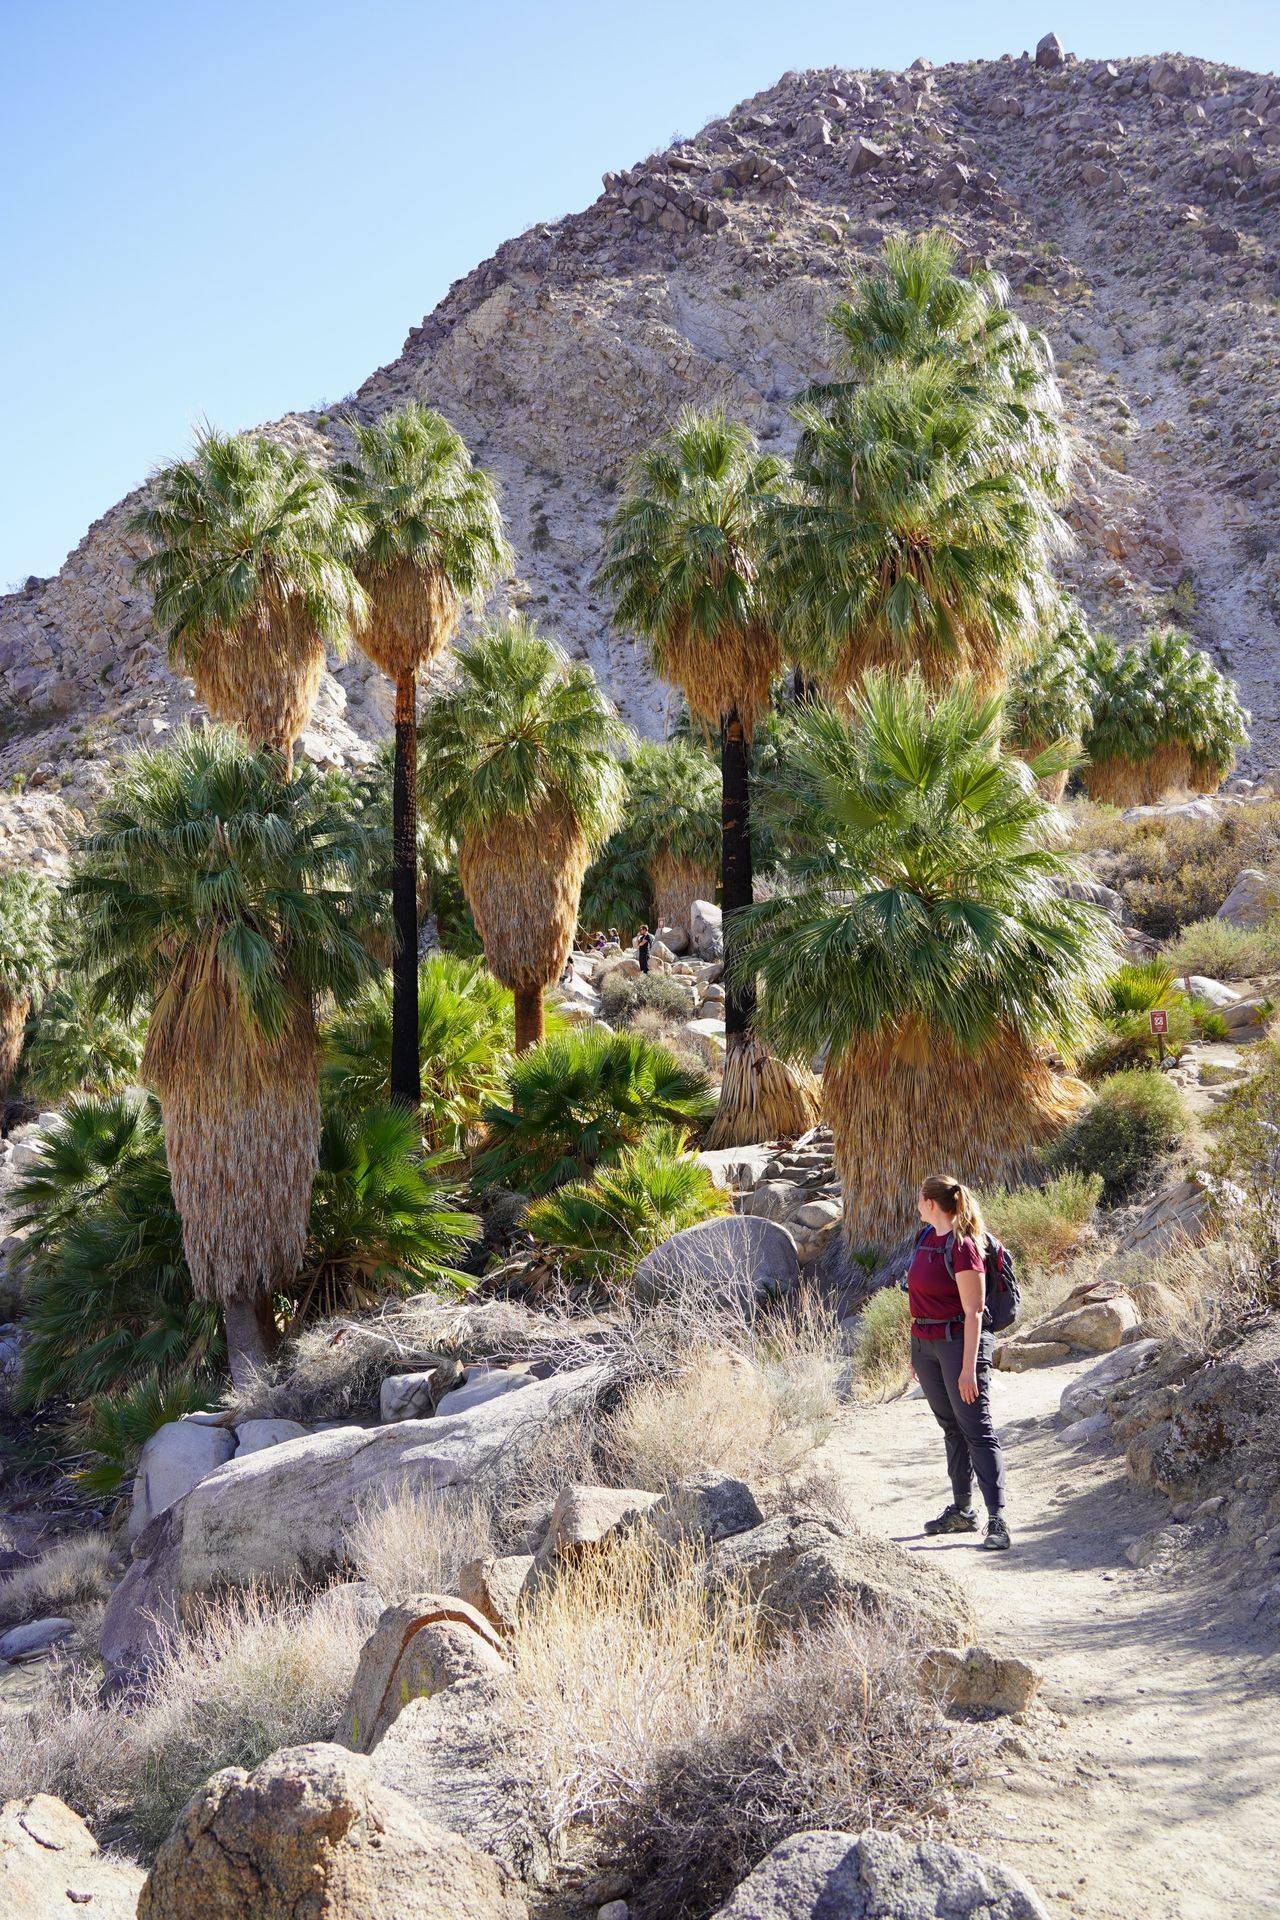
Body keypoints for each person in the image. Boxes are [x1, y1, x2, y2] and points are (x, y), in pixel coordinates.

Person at [907, 1174, 1010, 1552]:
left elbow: (975, 1311)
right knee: (950, 1427)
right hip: (927, 1345)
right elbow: (916, 1299)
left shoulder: (963, 1245)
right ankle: (963, 1512)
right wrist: (914, 1351)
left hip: (958, 1344)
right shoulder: (924, 1239)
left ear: (932, 1203)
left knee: (976, 1428)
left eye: (919, 1197)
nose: (916, 1203)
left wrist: (968, 1367)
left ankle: (997, 1518)